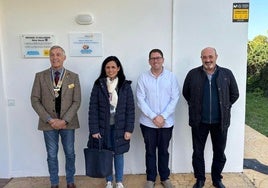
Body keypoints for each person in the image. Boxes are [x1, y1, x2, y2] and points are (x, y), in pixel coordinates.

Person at [182, 47, 239, 188]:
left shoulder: (226, 74)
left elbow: (234, 94)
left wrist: (225, 106)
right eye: (204, 57)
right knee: (198, 153)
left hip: (220, 122)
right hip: (199, 121)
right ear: (201, 58)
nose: (208, 60)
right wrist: (195, 106)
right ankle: (200, 179)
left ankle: (216, 179)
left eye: (210, 56)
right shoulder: (193, 74)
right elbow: (186, 93)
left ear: (216, 57)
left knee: (219, 152)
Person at [31, 45, 81, 188]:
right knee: (52, 155)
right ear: (49, 57)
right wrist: (50, 120)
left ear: (64, 58)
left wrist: (64, 120)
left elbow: (77, 101)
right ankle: (54, 182)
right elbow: (34, 100)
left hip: (68, 123)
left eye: (58, 54)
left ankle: (70, 181)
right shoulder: (40, 76)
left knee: (70, 153)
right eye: (52, 55)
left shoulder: (73, 77)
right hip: (49, 123)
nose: (55, 57)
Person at [88, 56, 135, 188]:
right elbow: (93, 109)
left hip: (119, 127)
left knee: (119, 153)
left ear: (118, 68)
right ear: (104, 69)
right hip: (104, 127)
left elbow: (130, 110)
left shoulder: (125, 86)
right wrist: (94, 130)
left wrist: (129, 129)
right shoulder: (98, 85)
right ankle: (108, 181)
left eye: (113, 67)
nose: (110, 70)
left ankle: (119, 181)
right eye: (108, 67)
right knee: (107, 153)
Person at [136, 49, 180, 188]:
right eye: (153, 58)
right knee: (149, 151)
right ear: (149, 61)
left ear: (163, 60)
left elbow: (175, 98)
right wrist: (154, 117)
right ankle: (150, 178)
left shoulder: (171, 77)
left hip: (166, 123)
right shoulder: (143, 77)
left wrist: (163, 116)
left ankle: (165, 177)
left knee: (163, 151)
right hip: (148, 123)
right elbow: (140, 100)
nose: (155, 60)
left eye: (158, 58)